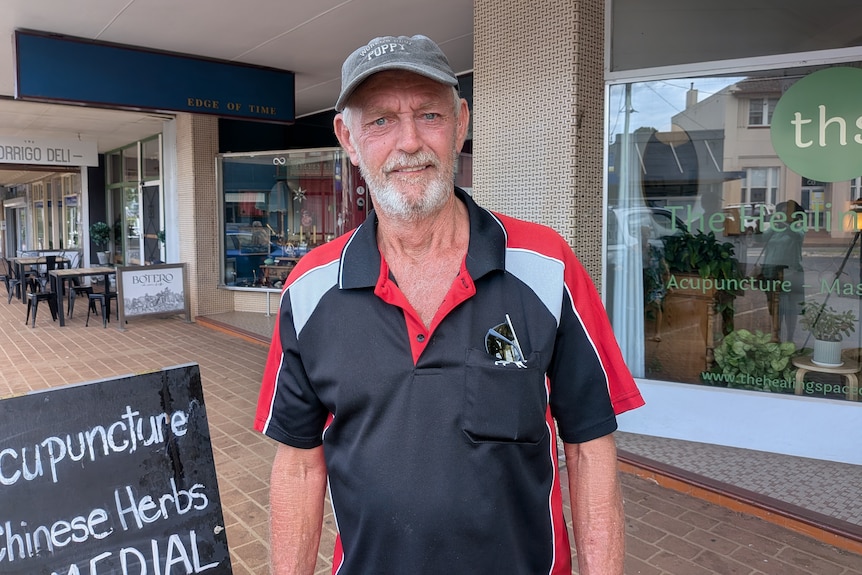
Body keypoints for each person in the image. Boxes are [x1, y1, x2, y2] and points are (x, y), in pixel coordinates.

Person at [255, 34, 644, 575]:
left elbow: (588, 448)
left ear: (461, 124)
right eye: (382, 121)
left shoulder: (546, 267)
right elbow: (298, 467)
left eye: (429, 115)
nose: (409, 142)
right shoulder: (311, 287)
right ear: (349, 137)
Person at [760, 199, 805, 342]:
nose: (782, 214)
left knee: (791, 308)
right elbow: (762, 238)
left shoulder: (797, 226)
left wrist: (784, 224)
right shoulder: (775, 227)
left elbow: (797, 236)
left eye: (786, 211)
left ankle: (790, 338)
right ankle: (776, 335)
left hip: (790, 272)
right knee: (773, 307)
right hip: (770, 272)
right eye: (781, 211)